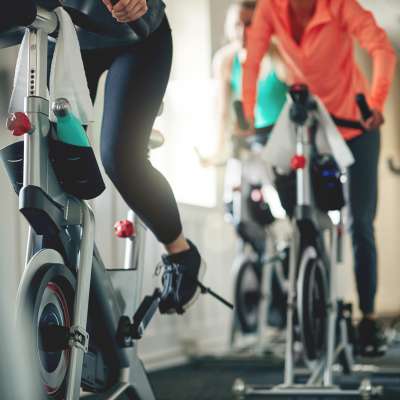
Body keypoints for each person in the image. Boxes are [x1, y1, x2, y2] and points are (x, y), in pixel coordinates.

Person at [242, 0, 397, 355]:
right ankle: (312, 295)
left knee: (359, 221)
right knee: (303, 212)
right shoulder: (271, 9)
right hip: (311, 125)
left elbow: (381, 47)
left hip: (356, 126)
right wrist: (248, 111)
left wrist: (376, 101)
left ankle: (368, 317)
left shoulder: (339, 6)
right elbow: (252, 59)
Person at [53, 0, 206, 314]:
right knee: (55, 154)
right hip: (67, 32)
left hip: (138, 35)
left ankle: (181, 254)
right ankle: (65, 264)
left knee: (121, 158)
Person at [203, 0, 287, 166]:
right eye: (237, 25)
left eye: (250, 24)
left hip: (282, 139)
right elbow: (223, 113)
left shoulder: (277, 54)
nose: (242, 32)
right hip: (250, 141)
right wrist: (219, 150)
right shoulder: (225, 61)